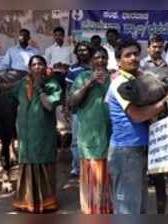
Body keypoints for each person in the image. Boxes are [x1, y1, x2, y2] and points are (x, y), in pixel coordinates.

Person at [105, 39, 168, 214]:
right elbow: (138, 116)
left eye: (135, 54)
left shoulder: (137, 79)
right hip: (126, 152)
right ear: (118, 61)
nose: (133, 58)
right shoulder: (122, 84)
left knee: (139, 206)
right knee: (128, 208)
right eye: (127, 55)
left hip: (138, 151)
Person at [11, 55, 62, 213]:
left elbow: (49, 106)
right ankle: (26, 201)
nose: (37, 67)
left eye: (41, 64)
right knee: (27, 164)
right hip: (25, 134)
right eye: (34, 65)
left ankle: (46, 202)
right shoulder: (23, 84)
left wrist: (40, 88)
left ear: (46, 67)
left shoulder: (52, 84)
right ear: (29, 68)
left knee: (43, 162)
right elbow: (11, 94)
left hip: (43, 133)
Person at [69, 47, 112, 214]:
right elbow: (72, 101)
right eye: (97, 58)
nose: (100, 60)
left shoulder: (114, 78)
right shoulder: (82, 77)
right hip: (89, 135)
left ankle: (107, 209)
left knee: (109, 174)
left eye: (104, 57)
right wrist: (89, 83)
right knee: (92, 175)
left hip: (111, 135)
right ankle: (91, 210)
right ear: (91, 61)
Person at [65, 41, 93, 181]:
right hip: (77, 110)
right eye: (79, 50)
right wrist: (66, 107)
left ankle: (91, 166)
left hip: (93, 110)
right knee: (76, 140)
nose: (82, 52)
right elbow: (68, 89)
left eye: (85, 50)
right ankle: (77, 168)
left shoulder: (96, 67)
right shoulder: (73, 69)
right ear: (76, 53)